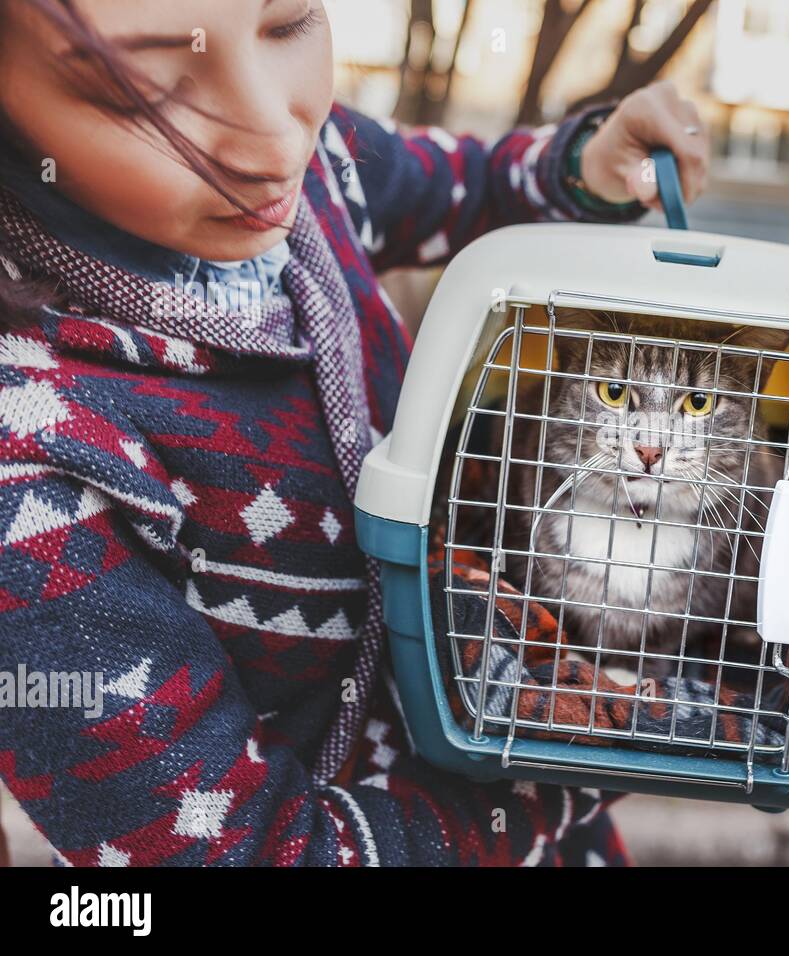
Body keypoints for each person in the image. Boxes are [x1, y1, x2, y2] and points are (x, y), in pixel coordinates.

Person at [0, 0, 709, 866]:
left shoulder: (318, 169)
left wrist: (584, 166)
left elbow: (465, 185)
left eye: (290, 21)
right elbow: (258, 852)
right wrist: (598, 748)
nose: (275, 141)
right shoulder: (30, 468)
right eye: (139, 88)